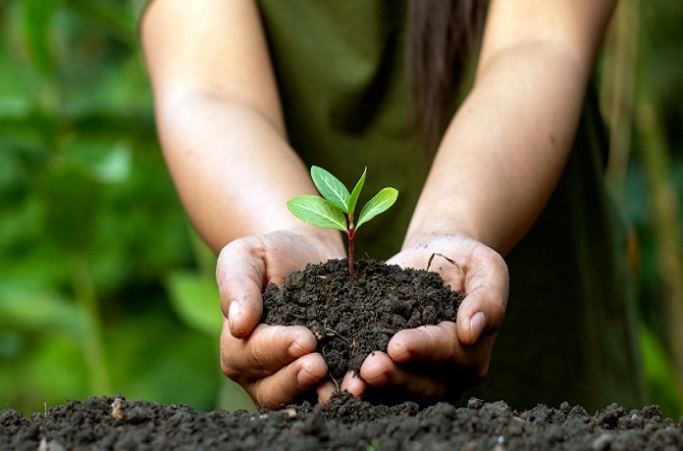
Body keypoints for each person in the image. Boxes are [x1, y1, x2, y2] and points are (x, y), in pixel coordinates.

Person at [140, 0, 646, 411]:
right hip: (296, 400)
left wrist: (451, 229)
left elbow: (542, 41)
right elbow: (209, 89)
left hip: (548, 385)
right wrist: (288, 231)